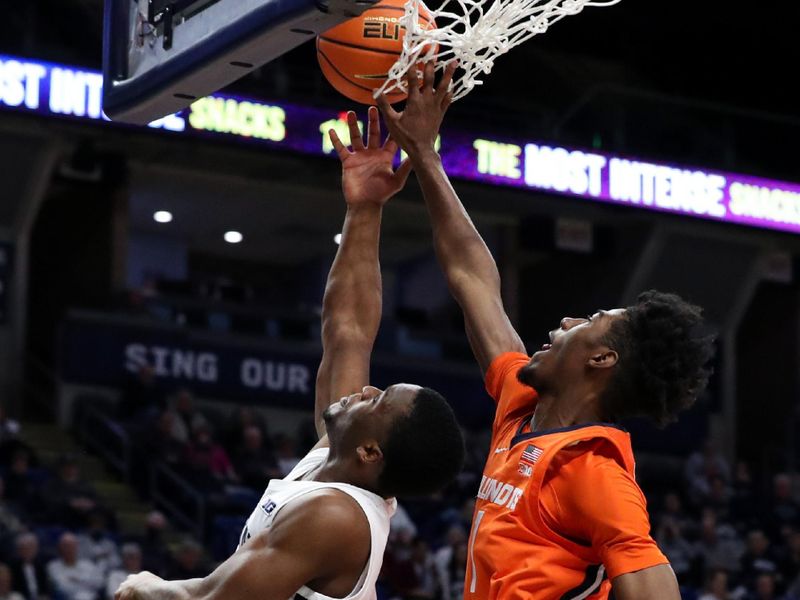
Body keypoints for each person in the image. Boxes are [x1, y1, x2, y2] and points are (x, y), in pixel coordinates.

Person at [377, 61, 716, 599]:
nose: (567, 322)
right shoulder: (521, 405)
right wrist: (424, 155)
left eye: (591, 321)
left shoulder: (592, 472)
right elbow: (473, 280)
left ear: (602, 359)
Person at [115, 107, 465, 600]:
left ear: (371, 452)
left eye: (377, 400)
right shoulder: (336, 456)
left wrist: (153, 590)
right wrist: (365, 207)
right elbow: (347, 332)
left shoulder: (335, 516)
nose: (365, 389)